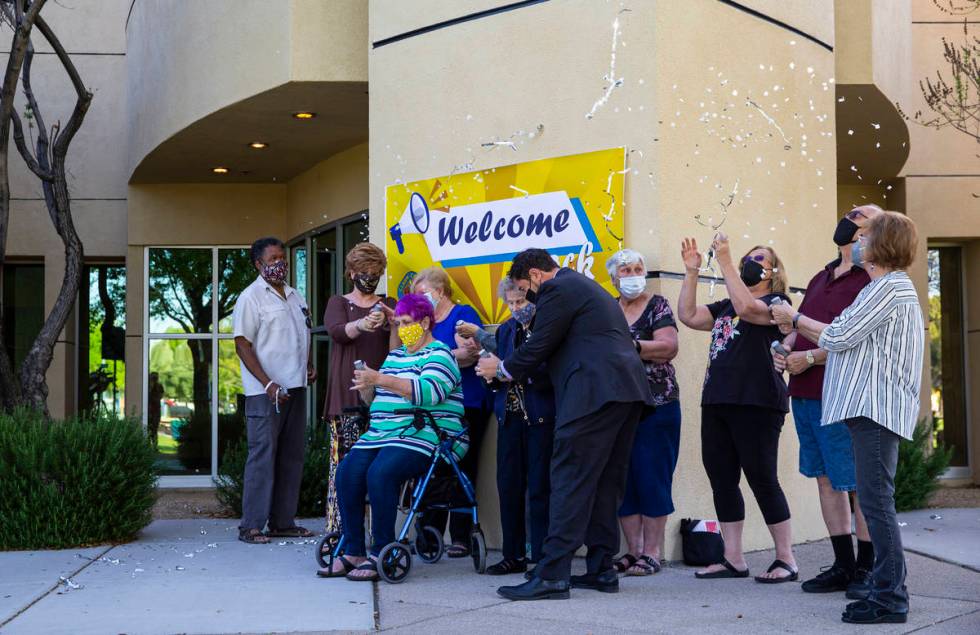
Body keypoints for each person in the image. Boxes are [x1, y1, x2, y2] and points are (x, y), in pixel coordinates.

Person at [772, 212, 923, 625]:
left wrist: (795, 319)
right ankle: (884, 590)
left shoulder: (888, 289)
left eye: (866, 234)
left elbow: (838, 336)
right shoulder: (884, 288)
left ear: (882, 243)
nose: (859, 240)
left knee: (876, 507)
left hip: (874, 412)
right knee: (876, 505)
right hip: (867, 411)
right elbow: (846, 334)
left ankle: (890, 598)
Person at [477, 248, 653, 601]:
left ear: (536, 277)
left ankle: (553, 574)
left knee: (568, 479)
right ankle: (602, 569)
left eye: (525, 289)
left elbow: (540, 344)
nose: (527, 298)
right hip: (624, 392)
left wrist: (502, 369)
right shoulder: (584, 287)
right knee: (605, 482)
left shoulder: (558, 289)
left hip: (593, 393)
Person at [317, 294, 466, 581]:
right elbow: (378, 398)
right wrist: (366, 387)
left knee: (381, 473)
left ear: (424, 322)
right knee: (347, 473)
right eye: (398, 323)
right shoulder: (396, 356)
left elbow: (430, 392)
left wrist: (379, 379)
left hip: (424, 433)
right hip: (384, 432)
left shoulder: (440, 353)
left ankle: (381, 549)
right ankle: (353, 549)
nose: (401, 328)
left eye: (407, 323)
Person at [677, 234, 798, 582]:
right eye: (747, 256)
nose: (749, 261)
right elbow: (688, 315)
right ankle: (733, 559)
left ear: (773, 271)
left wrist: (727, 260)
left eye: (757, 258)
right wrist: (691, 272)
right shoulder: (725, 306)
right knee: (722, 480)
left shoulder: (778, 302)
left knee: (762, 478)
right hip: (718, 400)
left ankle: (786, 559)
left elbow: (749, 310)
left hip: (757, 401)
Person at [773, 206, 880, 597]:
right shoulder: (821, 277)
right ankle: (843, 564)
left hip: (842, 397)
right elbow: (802, 326)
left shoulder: (871, 279)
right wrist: (785, 347)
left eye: (860, 215)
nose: (849, 217)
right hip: (804, 394)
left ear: (873, 230)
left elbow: (855, 337)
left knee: (855, 483)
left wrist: (812, 357)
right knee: (824, 480)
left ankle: (868, 568)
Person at [463, 279, 554, 576]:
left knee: (540, 488)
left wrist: (504, 371)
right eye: (511, 303)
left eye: (521, 302)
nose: (517, 309)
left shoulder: (548, 327)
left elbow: (547, 371)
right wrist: (487, 375)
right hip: (510, 416)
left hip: (541, 416)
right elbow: (497, 368)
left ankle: (541, 556)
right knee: (508, 486)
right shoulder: (505, 329)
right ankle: (512, 554)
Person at [232, 237, 317, 544]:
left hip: (296, 388)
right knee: (262, 456)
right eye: (273, 259)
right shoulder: (251, 297)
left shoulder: (296, 296)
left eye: (283, 257)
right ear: (258, 264)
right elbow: (242, 344)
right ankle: (251, 526)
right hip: (264, 392)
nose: (280, 263)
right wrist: (267, 383)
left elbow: (300, 335)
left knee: (292, 456)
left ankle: (282, 522)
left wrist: (307, 365)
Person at [606, 249, 681, 577]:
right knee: (624, 480)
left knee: (653, 478)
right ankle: (631, 550)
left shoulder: (657, 305)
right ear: (613, 278)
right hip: (618, 407)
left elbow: (668, 347)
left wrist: (633, 347)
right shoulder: (607, 309)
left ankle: (652, 552)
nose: (633, 274)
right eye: (626, 270)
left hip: (657, 405)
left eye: (638, 269)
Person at [412, 267, 490, 558]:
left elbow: (470, 355)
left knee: (463, 468)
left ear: (440, 291)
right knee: (433, 469)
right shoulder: (424, 322)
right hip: (433, 407)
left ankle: (460, 536)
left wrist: (431, 357)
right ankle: (430, 534)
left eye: (423, 294)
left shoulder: (463, 315)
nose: (419, 300)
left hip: (467, 402)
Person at [322, 243, 398, 532]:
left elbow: (397, 349)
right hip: (347, 395)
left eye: (375, 273)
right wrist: (364, 324)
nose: (370, 278)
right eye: (364, 272)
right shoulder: (338, 303)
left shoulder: (389, 301)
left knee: (379, 469)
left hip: (383, 396)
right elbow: (338, 332)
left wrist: (391, 326)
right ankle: (340, 531)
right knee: (344, 467)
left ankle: (377, 531)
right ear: (351, 272)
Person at [147, 372, 164, 450]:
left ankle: (154, 446)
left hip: (156, 410)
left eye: (156, 377)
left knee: (154, 429)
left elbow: (160, 396)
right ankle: (147, 446)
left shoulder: (159, 386)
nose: (155, 379)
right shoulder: (147, 385)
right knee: (147, 429)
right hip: (149, 410)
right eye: (153, 377)